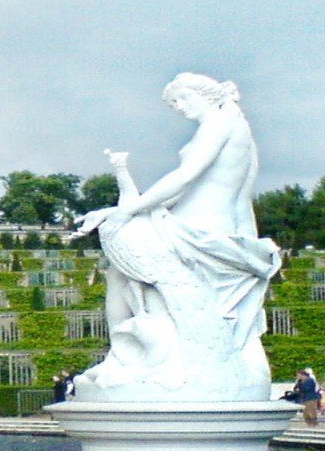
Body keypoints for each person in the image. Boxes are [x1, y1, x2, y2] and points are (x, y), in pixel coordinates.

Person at [71, 73, 280, 402]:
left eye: (183, 99)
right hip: (193, 223)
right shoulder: (233, 126)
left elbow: (185, 176)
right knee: (122, 260)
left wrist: (126, 213)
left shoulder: (220, 123)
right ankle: (133, 356)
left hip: (198, 231)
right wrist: (116, 210)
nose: (180, 107)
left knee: (124, 261)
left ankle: (142, 357)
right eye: (174, 103)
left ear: (205, 95)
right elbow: (184, 191)